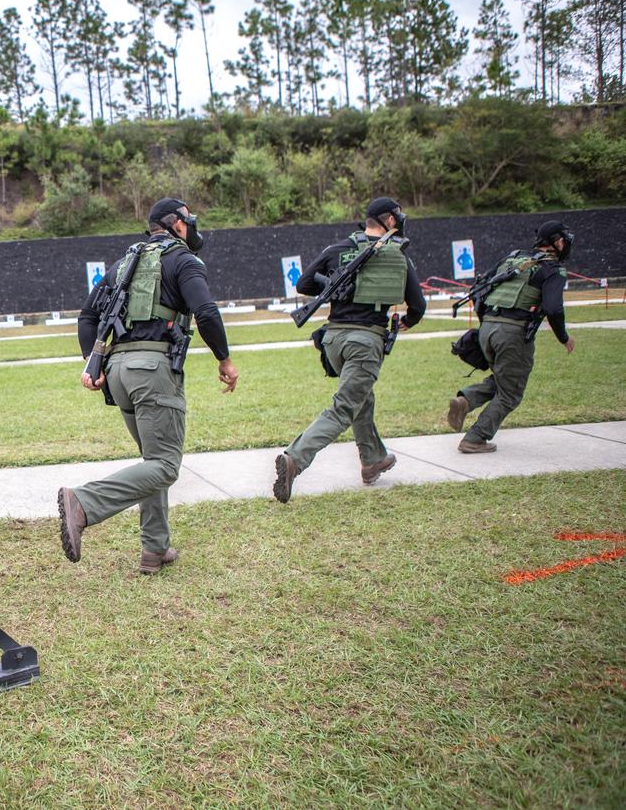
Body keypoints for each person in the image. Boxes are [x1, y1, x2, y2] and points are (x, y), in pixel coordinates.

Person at [58, 198, 239, 574]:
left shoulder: (124, 263)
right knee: (165, 466)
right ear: (175, 224)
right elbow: (205, 312)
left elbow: (87, 315)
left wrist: (92, 362)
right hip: (153, 370)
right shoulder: (183, 261)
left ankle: (155, 550)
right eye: (189, 219)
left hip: (120, 374)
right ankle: (85, 503)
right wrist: (223, 358)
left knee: (152, 460)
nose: (193, 225)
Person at [273, 197, 426, 503]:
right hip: (365, 342)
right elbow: (417, 306)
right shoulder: (398, 257)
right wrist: (408, 321)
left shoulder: (337, 250)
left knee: (361, 398)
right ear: (391, 222)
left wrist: (335, 284)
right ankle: (295, 459)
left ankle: (373, 460)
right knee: (345, 406)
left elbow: (304, 284)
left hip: (333, 342)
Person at [447, 221, 576, 452]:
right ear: (558, 242)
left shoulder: (513, 259)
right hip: (513, 333)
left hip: (487, 328)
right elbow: (554, 308)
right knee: (512, 392)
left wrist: (488, 326)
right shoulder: (553, 270)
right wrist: (564, 338)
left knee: (504, 379)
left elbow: (480, 289)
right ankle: (475, 438)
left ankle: (466, 400)